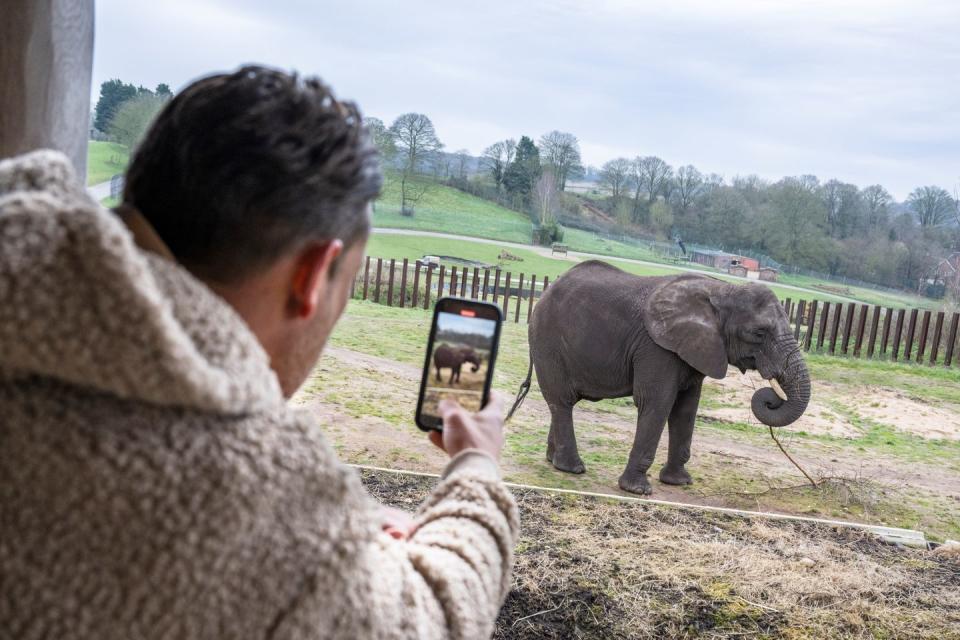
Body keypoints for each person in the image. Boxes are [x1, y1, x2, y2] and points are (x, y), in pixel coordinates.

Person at [0, 66, 518, 639]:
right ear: (313, 276)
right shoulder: (256, 501)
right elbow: (437, 619)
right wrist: (476, 468)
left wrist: (343, 547)